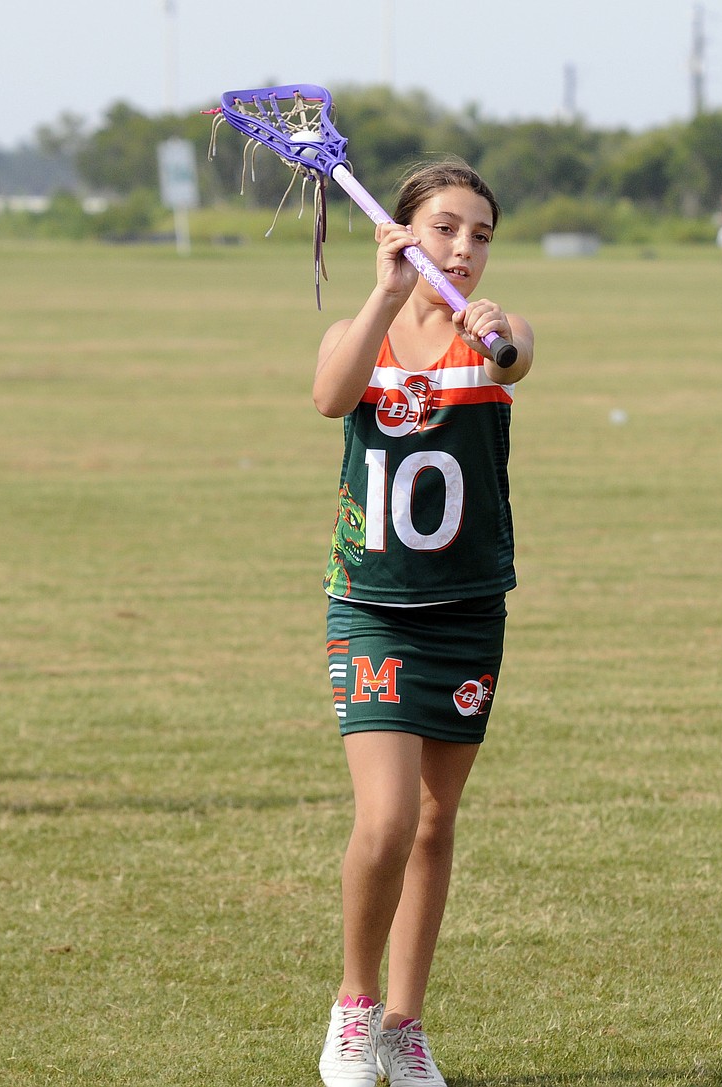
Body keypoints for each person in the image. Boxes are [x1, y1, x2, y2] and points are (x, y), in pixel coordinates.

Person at [313, 159, 534, 1087]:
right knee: (389, 818)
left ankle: (405, 1028)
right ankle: (354, 1009)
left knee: (437, 821)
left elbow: (515, 358)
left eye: (480, 234)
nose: (465, 248)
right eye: (445, 227)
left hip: (468, 612)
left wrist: (493, 334)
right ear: (403, 230)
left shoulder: (497, 329)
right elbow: (332, 396)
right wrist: (386, 292)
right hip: (373, 607)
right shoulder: (357, 332)